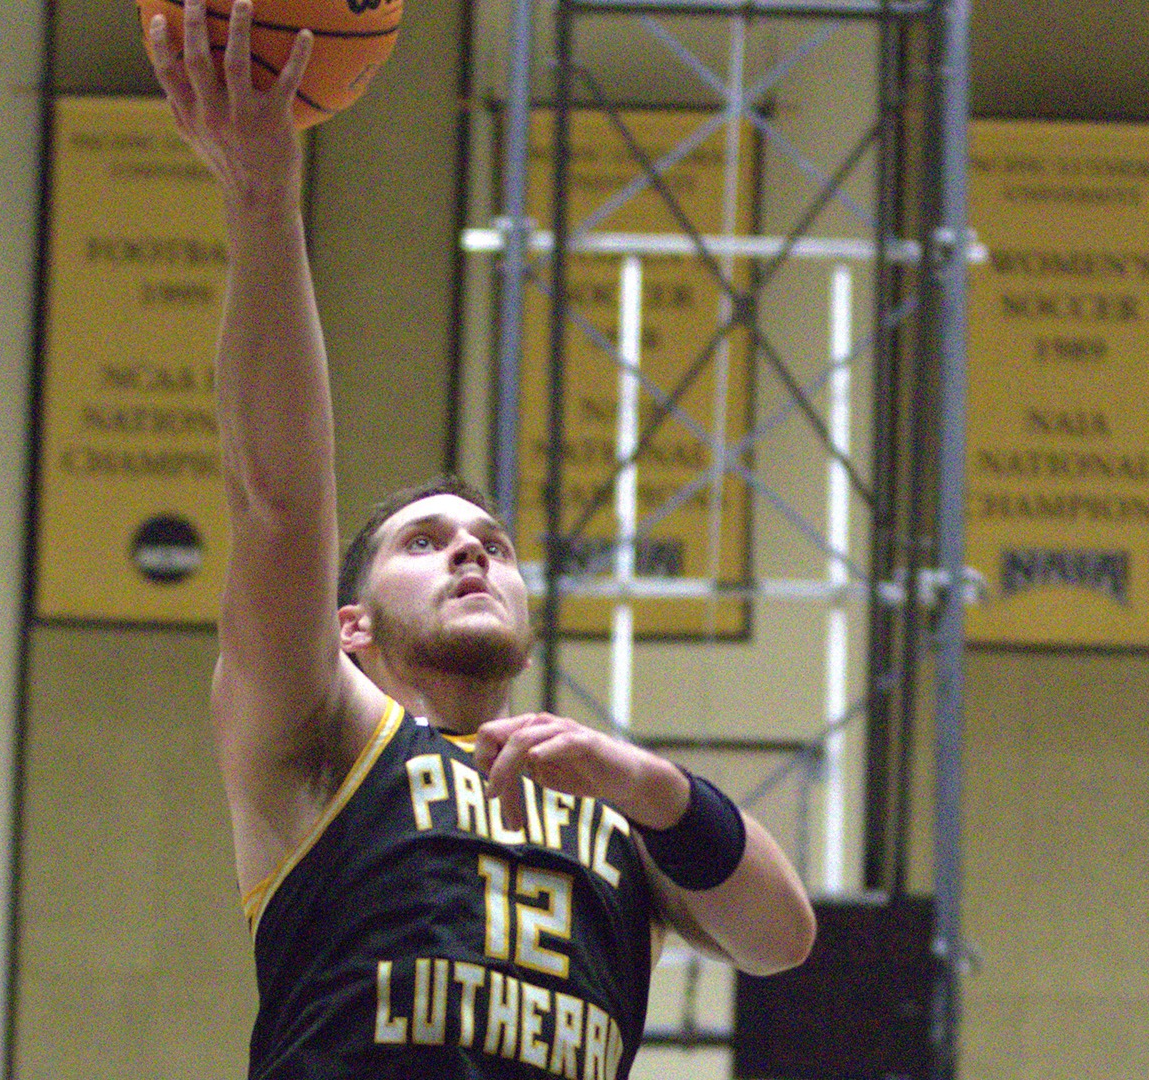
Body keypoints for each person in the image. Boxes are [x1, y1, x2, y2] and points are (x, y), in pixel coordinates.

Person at [145, 3, 818, 1077]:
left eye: (493, 546)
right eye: (425, 542)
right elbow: (278, 502)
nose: (471, 554)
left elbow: (780, 940)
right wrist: (262, 194)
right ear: (350, 623)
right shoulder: (321, 744)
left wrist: (648, 785)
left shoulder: (613, 812)